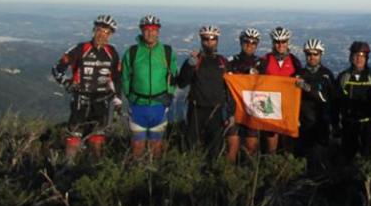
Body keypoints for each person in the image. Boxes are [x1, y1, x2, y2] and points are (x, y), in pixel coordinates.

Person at [51, 14, 121, 160]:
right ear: (94, 30)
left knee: (97, 137)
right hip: (80, 99)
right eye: (100, 30)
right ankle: (68, 167)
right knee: (74, 135)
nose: (102, 35)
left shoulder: (112, 53)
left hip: (102, 100)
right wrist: (67, 83)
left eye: (107, 32)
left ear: (111, 35)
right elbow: (57, 68)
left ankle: (94, 168)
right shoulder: (80, 49)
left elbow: (116, 78)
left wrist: (118, 100)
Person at [121, 15, 178, 159]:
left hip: (159, 105)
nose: (150, 33)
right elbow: (125, 76)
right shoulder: (132, 52)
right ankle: (137, 174)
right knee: (137, 145)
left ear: (158, 32)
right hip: (138, 105)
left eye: (154, 29)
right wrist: (130, 96)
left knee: (156, 145)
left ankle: (154, 176)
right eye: (146, 29)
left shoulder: (167, 52)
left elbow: (173, 75)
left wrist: (169, 95)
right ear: (141, 31)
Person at [176, 25, 234, 160]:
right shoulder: (195, 60)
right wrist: (190, 64)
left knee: (214, 148)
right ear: (201, 40)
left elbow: (230, 88)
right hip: (196, 110)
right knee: (191, 146)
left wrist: (231, 112)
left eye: (213, 39)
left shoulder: (223, 62)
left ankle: (211, 176)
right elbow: (182, 82)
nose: (209, 42)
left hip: (216, 111)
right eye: (206, 39)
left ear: (217, 40)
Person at [293, 38, 339, 173]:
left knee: (319, 157)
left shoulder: (327, 75)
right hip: (302, 122)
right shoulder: (298, 75)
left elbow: (329, 99)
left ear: (320, 55)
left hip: (321, 122)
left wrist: (308, 88)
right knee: (301, 157)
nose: (312, 57)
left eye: (315, 54)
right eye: (309, 54)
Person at [255, 26, 301, 154]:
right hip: (270, 105)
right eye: (277, 42)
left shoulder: (294, 61)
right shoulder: (265, 60)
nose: (280, 45)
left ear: (288, 42)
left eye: (283, 42)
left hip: (287, 105)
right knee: (271, 139)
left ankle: (286, 167)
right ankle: (271, 164)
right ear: (273, 43)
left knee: (288, 140)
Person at [334, 41, 371, 159]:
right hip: (349, 124)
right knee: (347, 157)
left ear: (367, 58)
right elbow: (336, 101)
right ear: (351, 57)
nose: (359, 59)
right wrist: (335, 123)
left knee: (369, 156)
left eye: (362, 56)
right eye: (356, 56)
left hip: (369, 125)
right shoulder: (343, 77)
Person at [227, 28, 264, 158]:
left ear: (257, 44)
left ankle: (249, 177)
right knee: (231, 149)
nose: (249, 44)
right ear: (241, 42)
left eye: (254, 42)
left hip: (253, 111)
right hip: (234, 109)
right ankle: (228, 175)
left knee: (251, 149)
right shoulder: (231, 62)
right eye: (246, 41)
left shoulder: (261, 64)